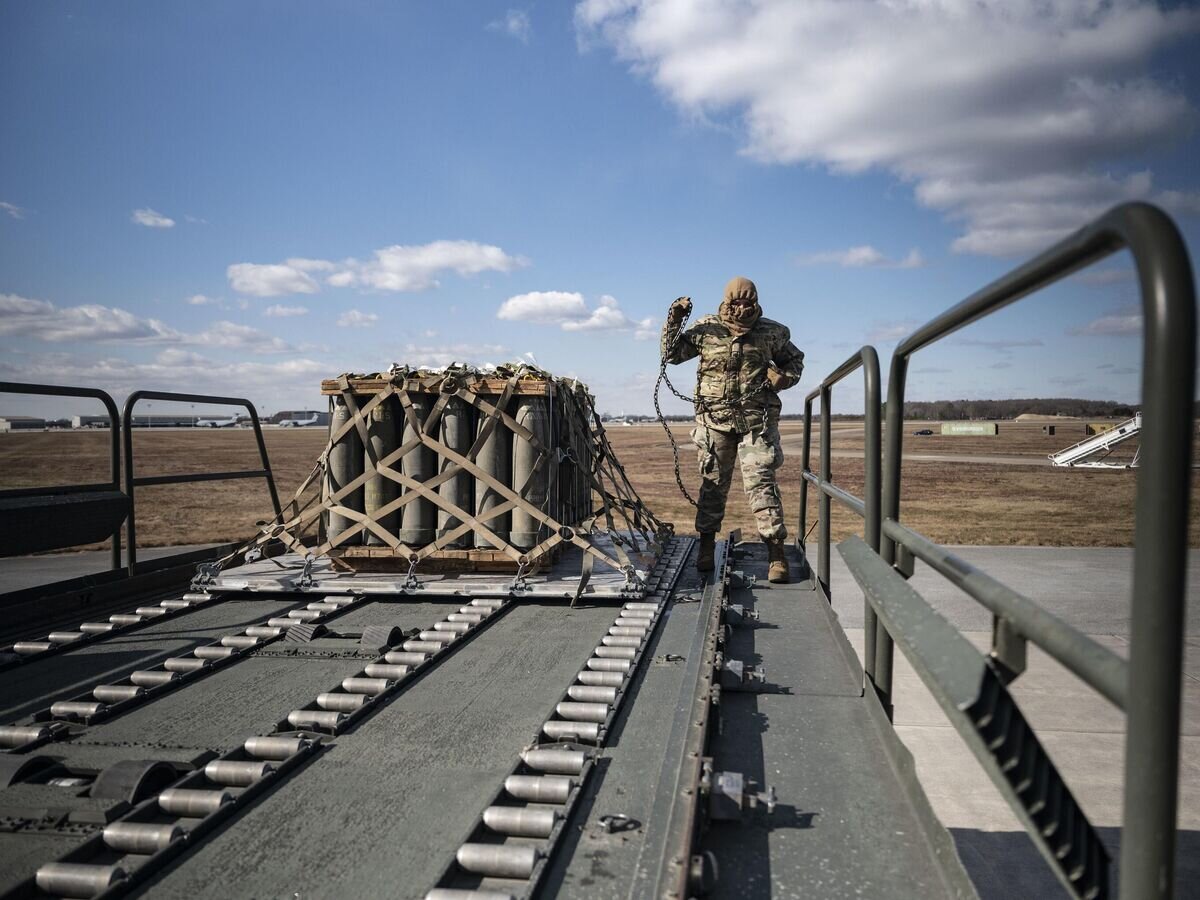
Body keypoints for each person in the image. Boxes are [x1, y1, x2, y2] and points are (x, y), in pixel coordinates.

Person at [661, 276, 804, 583]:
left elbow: (795, 362)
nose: (741, 309)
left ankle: (776, 553)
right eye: (735, 303)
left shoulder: (773, 332)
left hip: (756, 421)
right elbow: (672, 355)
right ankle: (706, 545)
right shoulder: (706, 329)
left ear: (755, 302)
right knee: (712, 484)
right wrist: (673, 320)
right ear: (726, 302)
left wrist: (784, 378)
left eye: (747, 303)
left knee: (761, 484)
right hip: (714, 421)